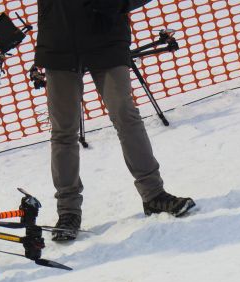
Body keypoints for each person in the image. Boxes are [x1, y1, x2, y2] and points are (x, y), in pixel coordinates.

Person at [34, 0, 195, 242]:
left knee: (125, 115)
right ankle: (67, 212)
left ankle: (154, 195)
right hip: (58, 43)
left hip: (106, 37)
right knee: (63, 131)